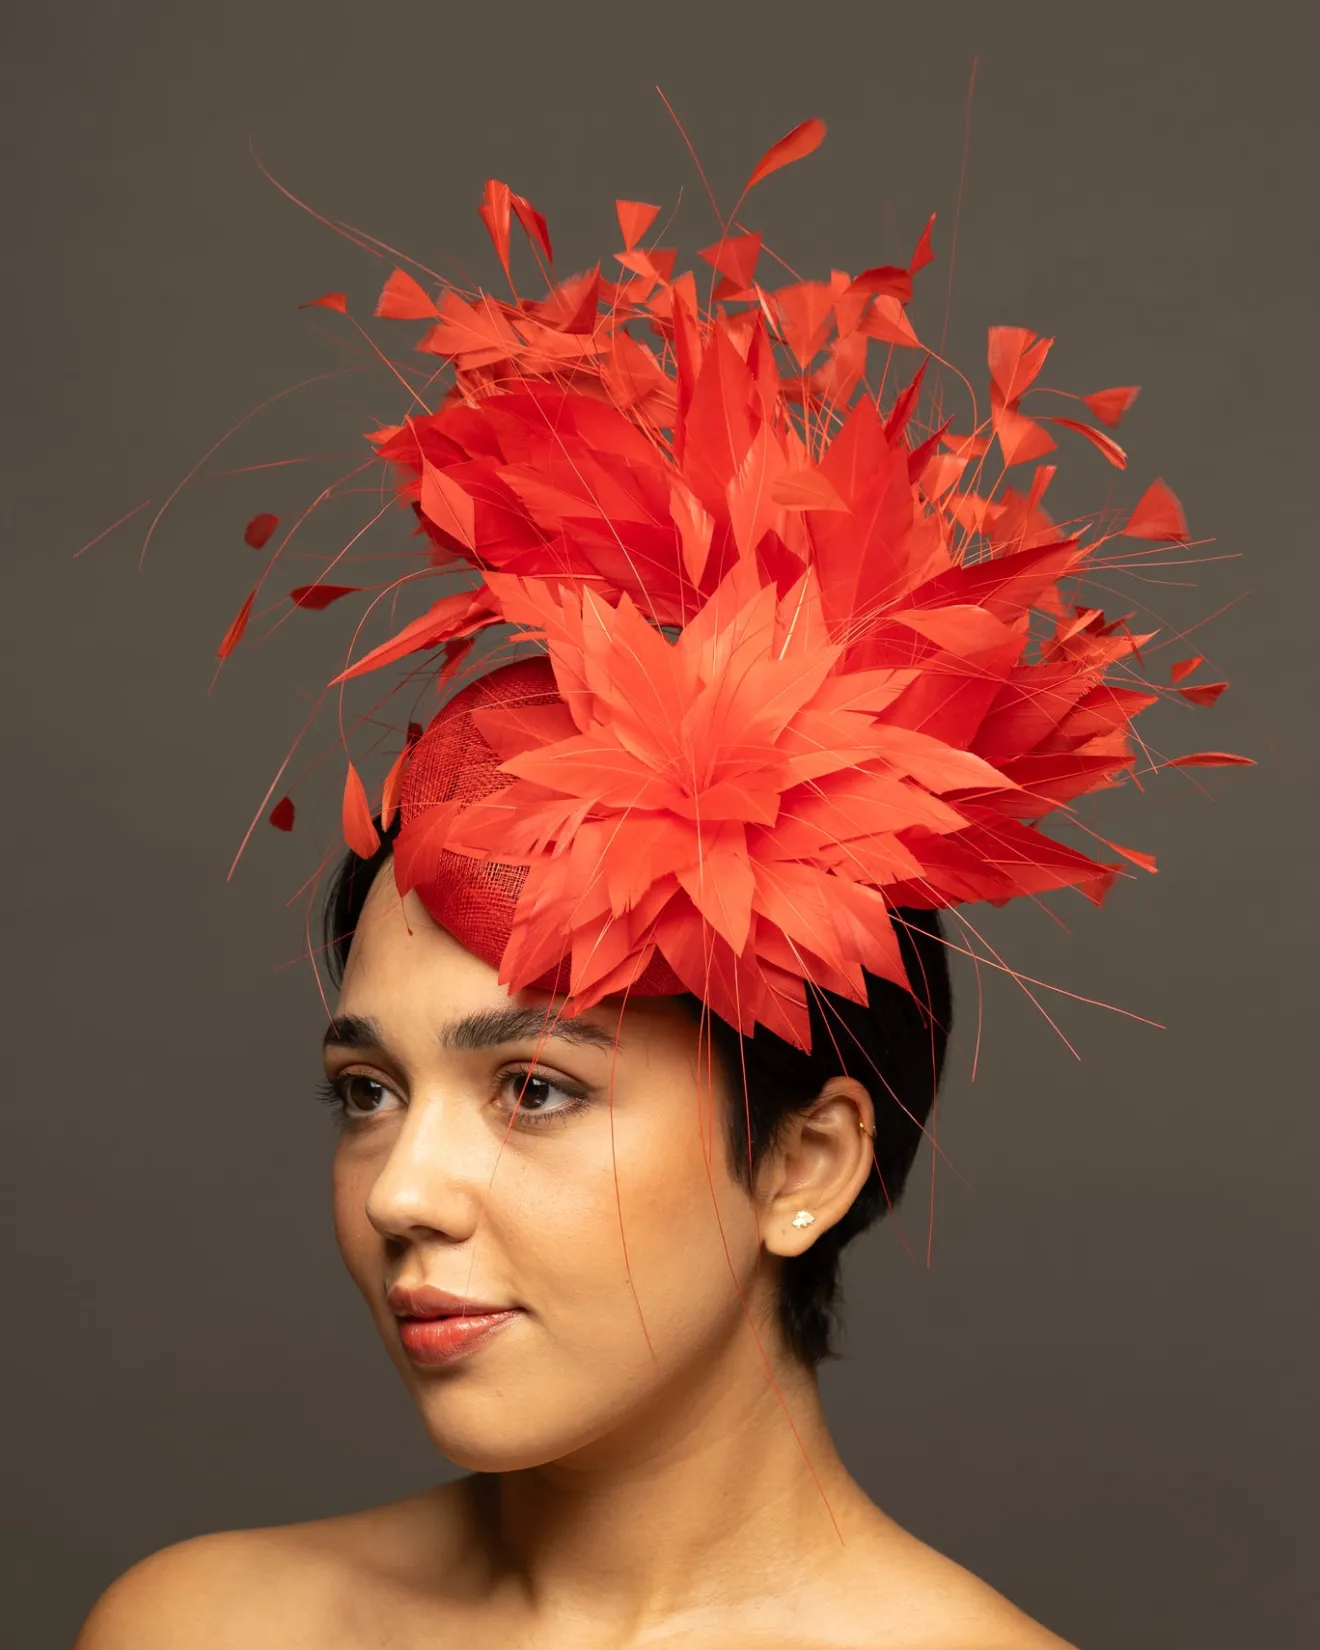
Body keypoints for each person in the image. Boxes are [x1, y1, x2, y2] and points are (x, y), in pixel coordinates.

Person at [74, 117, 1241, 1649]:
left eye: (534, 1087)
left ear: (805, 1162)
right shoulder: (201, 1624)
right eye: (366, 1089)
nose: (403, 1192)